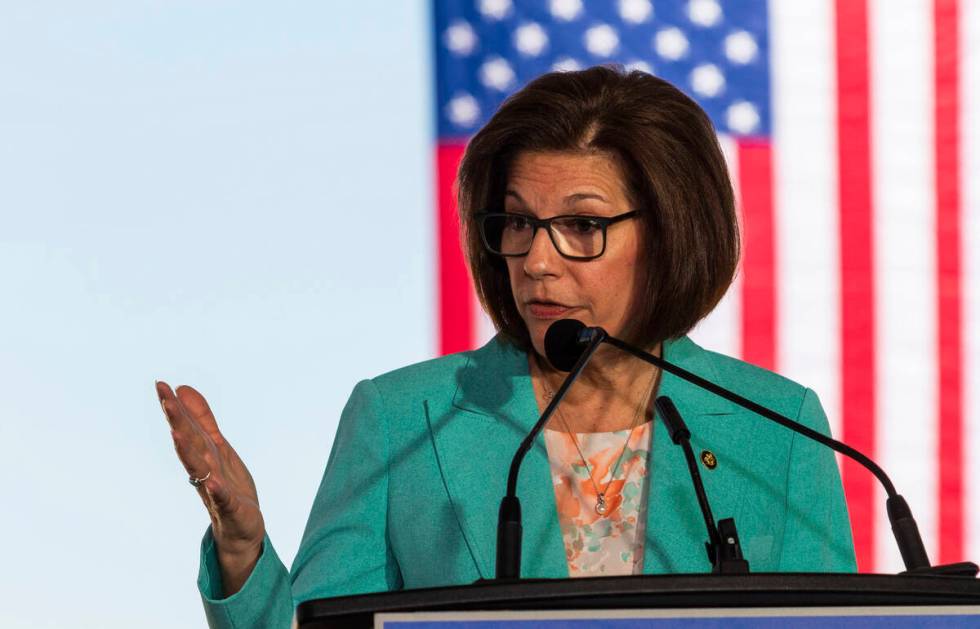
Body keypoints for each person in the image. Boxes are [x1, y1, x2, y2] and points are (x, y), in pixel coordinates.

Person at [157, 65, 856, 629]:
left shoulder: (780, 427)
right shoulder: (401, 418)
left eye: (582, 225)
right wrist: (244, 552)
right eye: (518, 222)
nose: (537, 261)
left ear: (670, 234)